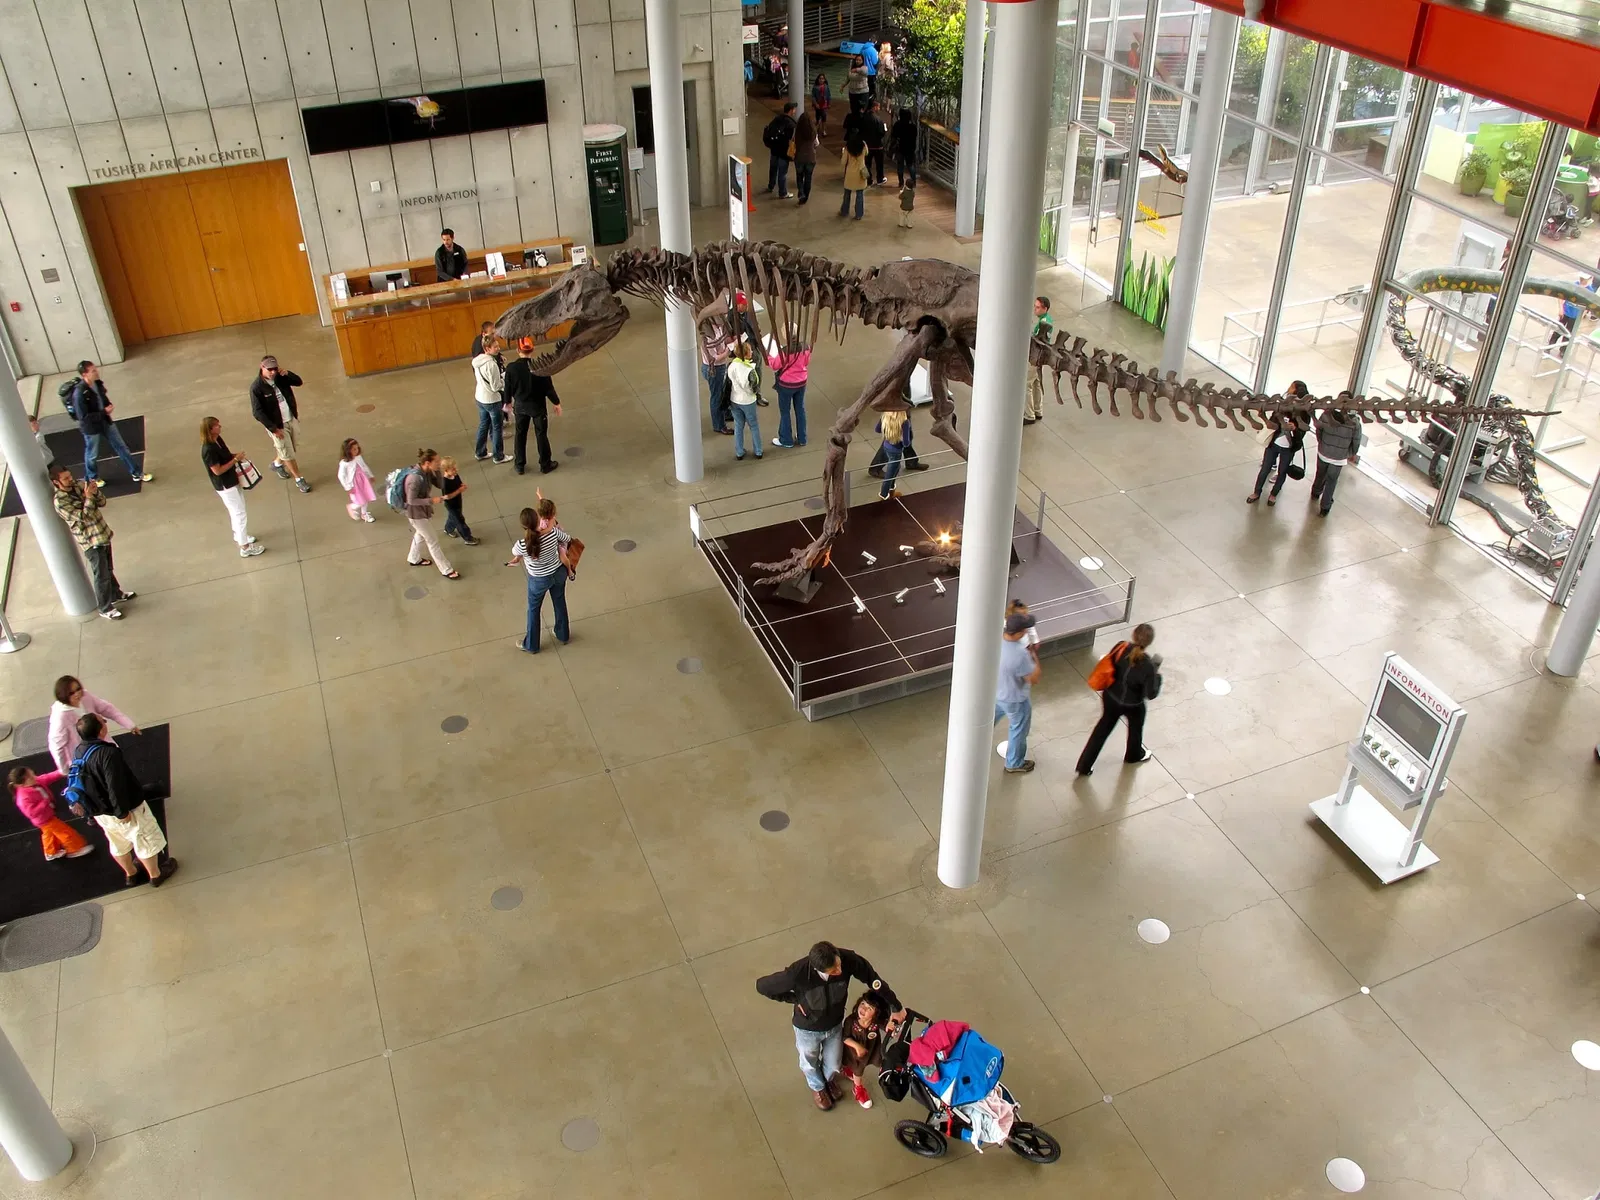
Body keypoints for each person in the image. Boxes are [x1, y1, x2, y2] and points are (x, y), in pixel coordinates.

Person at [756, 940, 902, 1111]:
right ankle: (818, 1088)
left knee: (834, 1063)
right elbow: (762, 986)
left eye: (839, 965)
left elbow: (873, 979)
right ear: (818, 969)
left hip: (834, 1026)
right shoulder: (797, 973)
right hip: (807, 1029)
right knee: (809, 1062)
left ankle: (827, 1080)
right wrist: (796, 999)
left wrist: (896, 1006)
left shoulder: (847, 959)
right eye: (834, 971)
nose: (840, 971)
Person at [71, 712, 177, 888]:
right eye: (103, 721)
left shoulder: (79, 751)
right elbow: (115, 786)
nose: (106, 722)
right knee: (143, 839)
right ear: (100, 730)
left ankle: (131, 874)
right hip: (124, 810)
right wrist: (122, 812)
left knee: (117, 842)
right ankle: (155, 875)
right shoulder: (108, 753)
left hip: (100, 812)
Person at [1075, 623, 1162, 776]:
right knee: (1135, 728)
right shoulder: (1148, 665)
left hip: (1111, 697)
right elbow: (1151, 693)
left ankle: (1084, 765)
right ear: (1149, 642)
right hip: (1133, 704)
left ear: (1133, 635)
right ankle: (1133, 755)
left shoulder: (1120, 647)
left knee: (1101, 731)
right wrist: (1157, 676)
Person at [51, 464, 133, 620]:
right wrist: (88, 498)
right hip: (90, 541)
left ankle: (116, 594)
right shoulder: (60, 502)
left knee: (108, 568)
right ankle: (105, 608)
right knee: (101, 575)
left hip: (102, 532)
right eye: (66, 478)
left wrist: (95, 492)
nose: (71, 480)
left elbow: (102, 503)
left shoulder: (80, 485)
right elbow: (82, 517)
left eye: (70, 476)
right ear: (56, 482)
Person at [72, 362, 153, 485]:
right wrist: (104, 412)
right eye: (93, 371)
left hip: (105, 421)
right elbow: (83, 417)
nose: (97, 372)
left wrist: (106, 406)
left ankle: (137, 473)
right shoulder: (79, 394)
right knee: (92, 455)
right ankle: (92, 478)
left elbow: (102, 397)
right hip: (92, 428)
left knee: (122, 447)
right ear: (85, 374)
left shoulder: (96, 383)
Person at [506, 497, 571, 653]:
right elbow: (567, 539)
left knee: (534, 610)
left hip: (538, 580)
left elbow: (515, 553)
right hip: (558, 573)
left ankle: (532, 645)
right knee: (559, 602)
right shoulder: (553, 533)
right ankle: (563, 635)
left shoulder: (522, 544)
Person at [200, 416, 265, 557]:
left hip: (231, 480)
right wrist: (235, 459)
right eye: (217, 425)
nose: (220, 426)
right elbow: (217, 470)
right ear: (210, 430)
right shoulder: (208, 450)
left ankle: (240, 535)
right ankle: (245, 547)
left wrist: (235, 456)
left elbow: (226, 455)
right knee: (239, 513)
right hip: (225, 485)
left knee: (237, 510)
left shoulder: (218, 440)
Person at [49, 675, 139, 774]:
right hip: (87, 759)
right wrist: (65, 769)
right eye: (71, 693)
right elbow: (57, 745)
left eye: (78, 689)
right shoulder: (60, 716)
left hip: (105, 746)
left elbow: (107, 708)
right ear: (63, 695)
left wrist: (129, 724)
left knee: (119, 771)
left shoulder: (85, 697)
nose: (77, 694)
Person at [249, 356, 311, 492]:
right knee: (288, 453)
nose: (272, 372)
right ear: (262, 367)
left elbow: (298, 382)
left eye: (275, 369)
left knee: (291, 448)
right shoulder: (257, 388)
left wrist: (288, 373)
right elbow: (257, 412)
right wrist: (273, 428)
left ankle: (277, 464)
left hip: (290, 419)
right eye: (269, 369)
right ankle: (299, 479)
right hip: (277, 425)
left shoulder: (280, 377)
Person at [9, 765, 94, 861]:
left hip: (46, 816)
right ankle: (75, 849)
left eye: (32, 774)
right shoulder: (23, 798)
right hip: (44, 819)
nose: (34, 777)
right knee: (64, 831)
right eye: (30, 777)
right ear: (21, 784)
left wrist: (61, 772)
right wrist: (45, 802)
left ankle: (50, 852)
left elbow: (47, 777)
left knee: (49, 834)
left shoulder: (34, 782)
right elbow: (31, 813)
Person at [504, 339, 562, 474]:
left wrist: (508, 403)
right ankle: (545, 464)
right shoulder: (539, 367)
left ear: (518, 350)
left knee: (520, 434)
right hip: (538, 408)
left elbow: (508, 387)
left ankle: (519, 465)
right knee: (541, 434)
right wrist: (556, 402)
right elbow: (549, 388)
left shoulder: (511, 368)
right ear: (532, 350)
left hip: (520, 406)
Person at [994, 612, 1041, 774]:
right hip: (1015, 698)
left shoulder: (995, 641)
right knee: (1019, 728)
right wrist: (1034, 656)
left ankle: (973, 744)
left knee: (987, 721)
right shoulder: (1020, 654)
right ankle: (1014, 763)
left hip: (996, 692)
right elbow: (1033, 679)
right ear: (1021, 632)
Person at [403, 449, 460, 579]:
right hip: (416, 514)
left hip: (422, 512)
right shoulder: (415, 478)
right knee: (432, 540)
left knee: (420, 534)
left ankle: (413, 558)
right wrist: (431, 500)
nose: (439, 463)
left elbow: (440, 485)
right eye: (437, 461)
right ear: (427, 462)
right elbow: (410, 500)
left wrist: (438, 472)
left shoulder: (427, 472)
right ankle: (446, 569)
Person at [1246, 407, 1308, 506]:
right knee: (1265, 469)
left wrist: (1295, 429)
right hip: (1273, 445)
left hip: (1288, 449)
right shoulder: (1280, 410)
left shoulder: (1302, 416)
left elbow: (1302, 434)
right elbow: (1271, 424)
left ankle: (1274, 494)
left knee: (1282, 472)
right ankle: (1257, 492)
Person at [1310, 399, 1361, 517]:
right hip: (1339, 458)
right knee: (1331, 482)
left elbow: (1319, 431)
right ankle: (1325, 507)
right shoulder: (1354, 423)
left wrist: (1322, 444)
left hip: (1323, 453)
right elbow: (1356, 441)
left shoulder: (1326, 415)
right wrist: (1350, 453)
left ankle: (1315, 492)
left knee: (1320, 474)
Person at [839, 992, 890, 1110]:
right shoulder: (850, 1021)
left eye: (869, 1008)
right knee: (858, 1070)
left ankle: (848, 1071)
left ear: (876, 1014)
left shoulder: (876, 1021)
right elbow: (844, 1037)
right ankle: (857, 1088)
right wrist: (857, 1046)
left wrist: (891, 1026)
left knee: (879, 1061)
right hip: (855, 1054)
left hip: (872, 1050)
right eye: (863, 1003)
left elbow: (886, 1026)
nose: (863, 1008)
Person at [472, 333, 510, 463]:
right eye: (495, 347)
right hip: (492, 400)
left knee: (483, 425)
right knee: (496, 428)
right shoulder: (492, 365)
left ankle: (480, 452)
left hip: (480, 397)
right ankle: (498, 455)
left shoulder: (477, 361)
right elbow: (496, 386)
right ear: (487, 349)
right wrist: (505, 378)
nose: (498, 349)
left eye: (498, 346)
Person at [769, 335, 811, 448]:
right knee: (800, 409)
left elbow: (775, 365)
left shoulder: (785, 351)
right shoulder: (806, 347)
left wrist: (769, 357)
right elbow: (806, 362)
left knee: (785, 411)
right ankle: (802, 438)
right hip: (801, 381)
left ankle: (786, 439)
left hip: (786, 384)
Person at [727, 340, 764, 461]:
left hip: (734, 399)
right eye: (750, 350)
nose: (752, 351)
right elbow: (753, 388)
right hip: (748, 401)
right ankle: (758, 450)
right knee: (753, 425)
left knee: (738, 425)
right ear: (746, 354)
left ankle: (739, 451)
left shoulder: (732, 365)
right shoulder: (750, 370)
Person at [1023, 296, 1053, 426]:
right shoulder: (1046, 320)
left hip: (1036, 358)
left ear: (1045, 308)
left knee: (1027, 384)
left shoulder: (1044, 323)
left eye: (1038, 307)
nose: (1035, 309)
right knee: (1036, 383)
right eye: (1035, 306)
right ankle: (1038, 409)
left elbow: (1038, 341)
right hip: (1041, 358)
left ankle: (1029, 414)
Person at [437, 455, 479, 545]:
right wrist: (459, 490)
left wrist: (461, 486)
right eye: (453, 469)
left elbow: (458, 483)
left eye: (456, 468)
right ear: (446, 470)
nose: (456, 471)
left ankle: (448, 529)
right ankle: (468, 538)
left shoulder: (455, 475)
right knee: (460, 521)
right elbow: (447, 496)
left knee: (453, 517)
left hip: (457, 502)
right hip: (451, 505)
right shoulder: (444, 482)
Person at [338, 437, 377, 522]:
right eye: (354, 449)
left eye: (357, 448)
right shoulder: (344, 463)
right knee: (360, 501)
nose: (357, 450)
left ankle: (364, 513)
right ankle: (351, 507)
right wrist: (348, 487)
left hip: (363, 481)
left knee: (366, 497)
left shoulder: (358, 457)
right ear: (348, 451)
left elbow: (364, 466)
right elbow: (341, 476)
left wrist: (370, 476)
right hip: (354, 484)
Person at [763, 101, 797, 198]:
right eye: (794, 109)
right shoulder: (791, 123)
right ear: (791, 110)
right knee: (782, 173)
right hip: (783, 152)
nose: (795, 111)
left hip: (774, 149)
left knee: (773, 169)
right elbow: (791, 139)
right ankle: (782, 193)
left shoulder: (777, 118)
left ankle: (771, 186)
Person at [877, 409, 909, 499]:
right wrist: (900, 440)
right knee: (890, 474)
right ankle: (883, 495)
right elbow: (906, 443)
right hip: (896, 450)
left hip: (886, 446)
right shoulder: (904, 422)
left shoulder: (885, 416)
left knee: (896, 467)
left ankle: (891, 489)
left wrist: (888, 430)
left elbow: (877, 429)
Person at [793, 106, 819, 205]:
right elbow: (817, 144)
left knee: (799, 176)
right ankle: (805, 197)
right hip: (810, 158)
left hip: (799, 157)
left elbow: (793, 142)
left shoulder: (797, 131)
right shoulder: (813, 131)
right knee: (808, 178)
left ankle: (801, 192)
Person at [840, 136, 869, 220]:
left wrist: (843, 153)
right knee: (860, 194)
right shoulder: (863, 144)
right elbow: (867, 153)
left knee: (847, 193)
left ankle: (844, 211)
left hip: (850, 173)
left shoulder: (848, 147)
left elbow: (843, 162)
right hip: (861, 172)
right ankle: (859, 214)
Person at [890, 108, 918, 188]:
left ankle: (901, 182)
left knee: (900, 166)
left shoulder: (897, 124)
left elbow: (894, 136)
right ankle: (913, 182)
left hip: (900, 148)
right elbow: (915, 136)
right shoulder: (913, 126)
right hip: (910, 149)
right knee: (910, 166)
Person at [862, 102, 888, 186]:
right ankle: (880, 179)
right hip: (877, 146)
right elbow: (881, 133)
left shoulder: (864, 118)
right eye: (878, 107)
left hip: (867, 145)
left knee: (867, 164)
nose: (879, 109)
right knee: (879, 164)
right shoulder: (878, 119)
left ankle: (868, 180)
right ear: (875, 107)